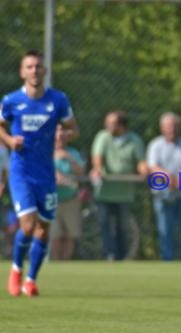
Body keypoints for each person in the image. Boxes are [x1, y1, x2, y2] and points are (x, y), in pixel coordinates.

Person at [0, 49, 79, 296]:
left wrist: (65, 135)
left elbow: (73, 129)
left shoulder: (58, 100)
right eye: (30, 66)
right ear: (22, 72)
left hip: (46, 173)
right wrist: (10, 141)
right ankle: (15, 270)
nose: (34, 70)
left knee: (43, 229)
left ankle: (31, 279)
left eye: (38, 66)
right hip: (21, 172)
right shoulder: (12, 100)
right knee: (27, 224)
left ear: (44, 71)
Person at [90, 110, 147, 261]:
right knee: (104, 224)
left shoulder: (134, 140)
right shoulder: (103, 136)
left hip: (124, 192)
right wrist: (99, 169)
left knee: (123, 226)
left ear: (121, 125)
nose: (107, 126)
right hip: (104, 192)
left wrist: (144, 171)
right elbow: (97, 158)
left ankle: (122, 257)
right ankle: (109, 254)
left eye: (112, 124)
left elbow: (141, 161)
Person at [147, 112, 181, 261]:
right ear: (162, 128)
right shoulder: (155, 145)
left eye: (175, 126)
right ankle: (167, 261)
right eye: (169, 127)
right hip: (163, 196)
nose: (172, 130)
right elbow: (152, 167)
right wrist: (168, 178)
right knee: (165, 231)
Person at [50, 124, 86, 260]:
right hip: (51, 200)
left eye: (62, 132)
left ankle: (65, 261)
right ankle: (56, 261)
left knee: (70, 233)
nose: (59, 136)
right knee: (55, 234)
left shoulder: (73, 153)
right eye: (56, 132)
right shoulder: (45, 152)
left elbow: (81, 172)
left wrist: (68, 158)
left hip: (70, 198)